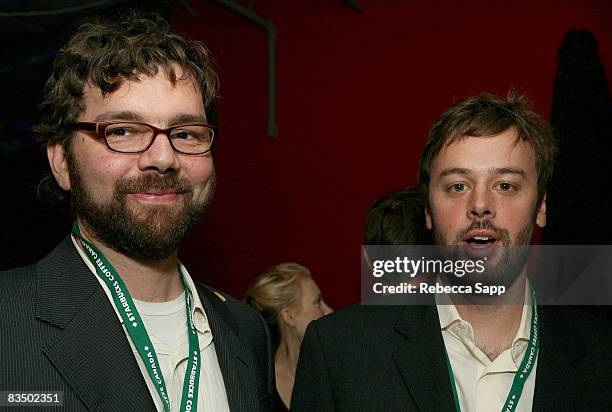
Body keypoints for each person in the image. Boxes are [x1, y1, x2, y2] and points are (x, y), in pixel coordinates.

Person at [0, 11, 274, 411]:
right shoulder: (8, 320)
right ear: (62, 162)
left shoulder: (246, 331)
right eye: (123, 131)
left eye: (185, 134)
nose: (163, 158)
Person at [292, 91, 612, 411]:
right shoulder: (340, 353)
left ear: (541, 206)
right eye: (458, 186)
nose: (481, 205)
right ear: (428, 210)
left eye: (505, 185)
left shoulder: (602, 357)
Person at [244, 263, 332, 411]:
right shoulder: (260, 384)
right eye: (317, 302)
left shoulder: (331, 371)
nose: (329, 310)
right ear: (289, 315)